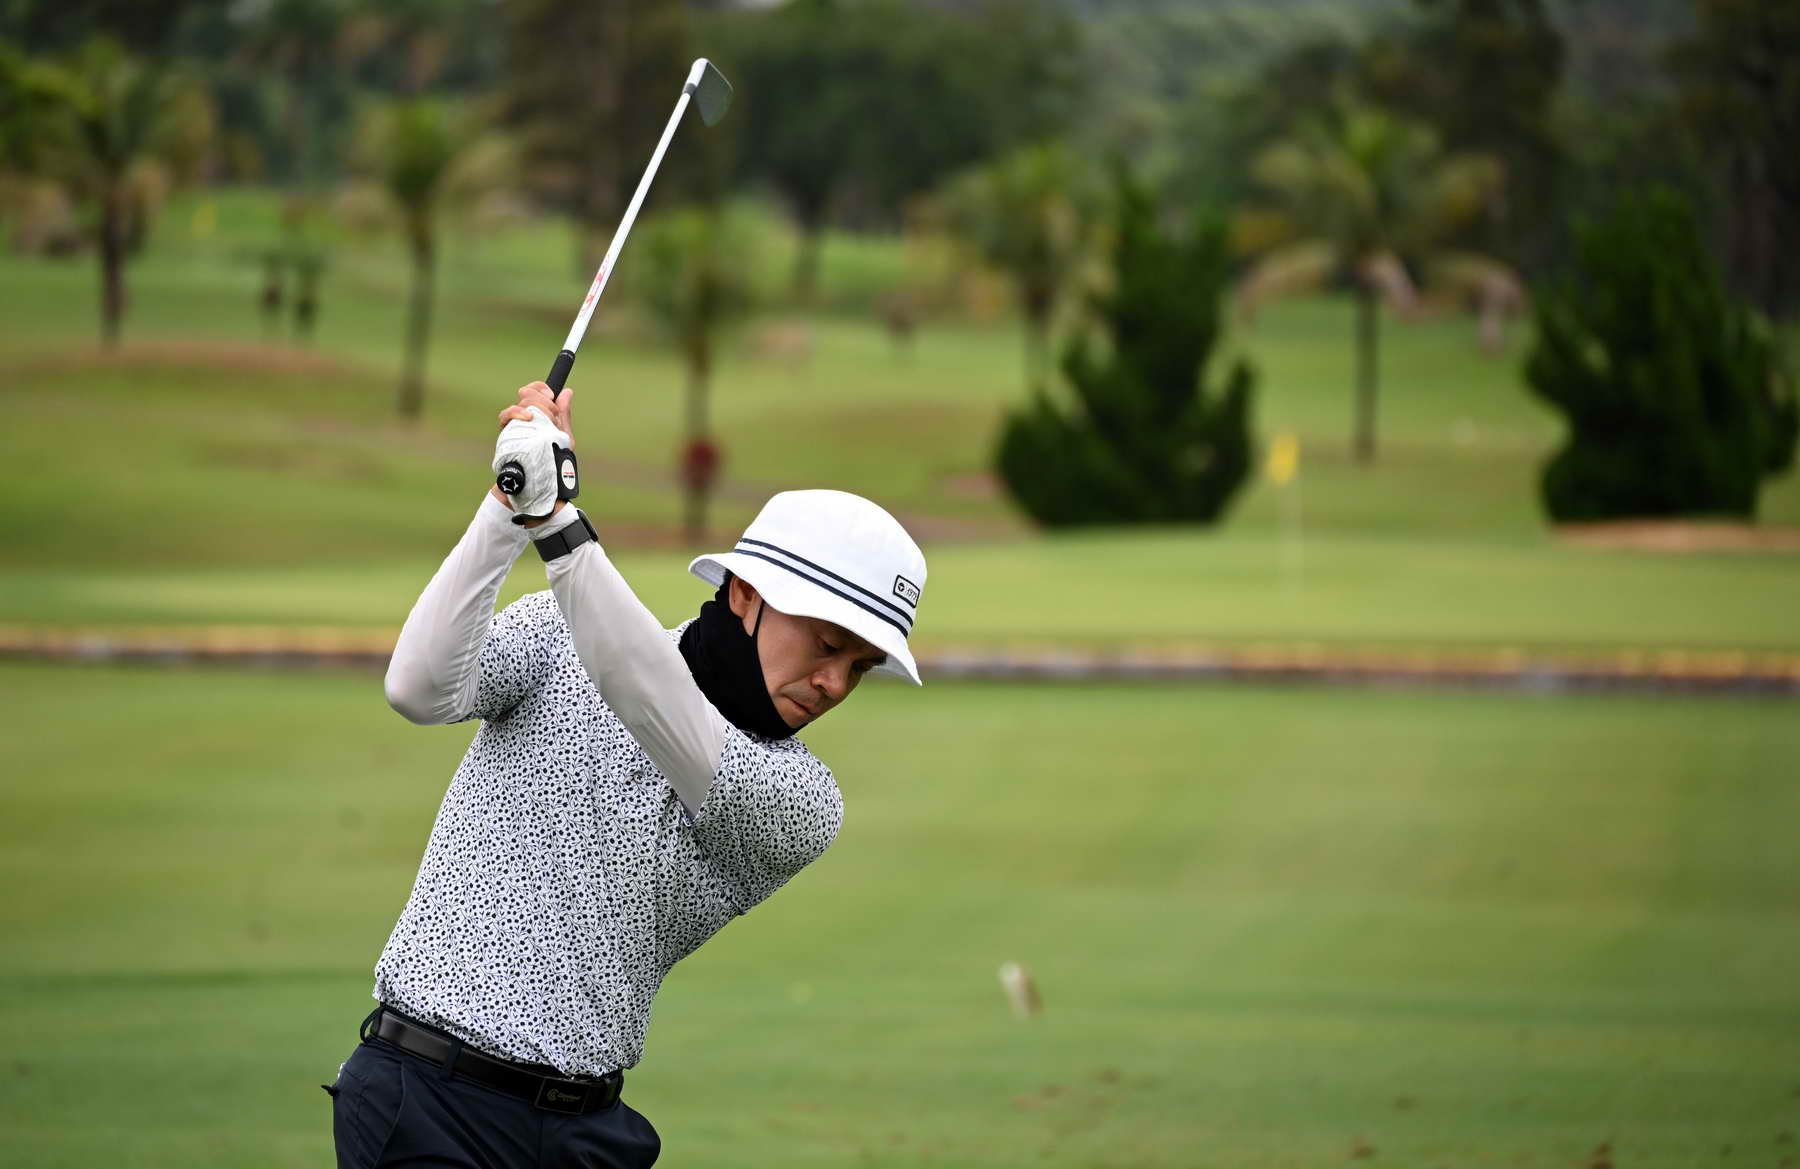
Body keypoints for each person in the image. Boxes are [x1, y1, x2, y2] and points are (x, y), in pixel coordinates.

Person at [326, 381, 927, 1168]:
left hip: (585, 1134)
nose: (834, 683)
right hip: (425, 1098)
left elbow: (654, 699)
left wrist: (555, 517)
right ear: (745, 593)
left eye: (861, 666)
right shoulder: (557, 632)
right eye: (827, 644)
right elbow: (418, 686)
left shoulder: (802, 801)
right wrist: (507, 504)